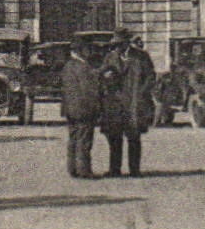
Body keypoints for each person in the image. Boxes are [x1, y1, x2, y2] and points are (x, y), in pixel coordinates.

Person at [100, 28, 156, 177]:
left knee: (134, 137)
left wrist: (142, 93)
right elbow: (102, 75)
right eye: (116, 44)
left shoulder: (141, 56)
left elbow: (151, 77)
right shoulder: (110, 57)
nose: (118, 47)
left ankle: (134, 170)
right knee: (114, 137)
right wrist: (106, 77)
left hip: (134, 102)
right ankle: (115, 169)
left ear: (127, 43)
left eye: (120, 43)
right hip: (115, 103)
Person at [61, 32, 103, 179]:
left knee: (73, 138)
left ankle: (72, 168)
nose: (90, 52)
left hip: (70, 108)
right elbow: (88, 89)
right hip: (84, 108)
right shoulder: (82, 66)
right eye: (87, 49)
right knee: (84, 139)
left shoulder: (68, 65)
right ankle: (84, 170)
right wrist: (97, 106)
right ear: (81, 50)